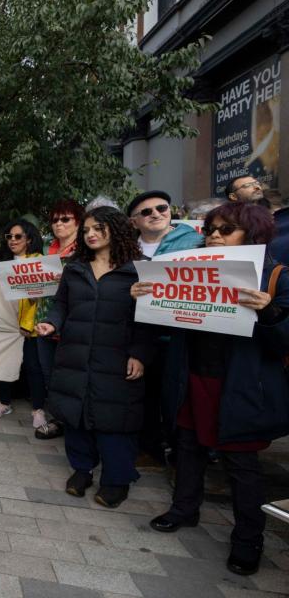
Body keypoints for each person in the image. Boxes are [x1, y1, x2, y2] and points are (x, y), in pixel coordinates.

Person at [134, 202, 289, 576]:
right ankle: (184, 510)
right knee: (187, 447)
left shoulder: (278, 278)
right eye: (211, 229)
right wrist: (147, 297)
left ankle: (248, 539)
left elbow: (284, 341)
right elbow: (167, 322)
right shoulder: (188, 271)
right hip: (193, 378)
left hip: (241, 386)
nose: (215, 235)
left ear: (253, 235)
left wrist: (268, 313)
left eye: (227, 229)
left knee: (241, 465)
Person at [35, 206, 151, 509]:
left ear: (116, 229)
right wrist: (52, 323)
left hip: (117, 357)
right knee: (76, 415)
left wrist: (139, 353)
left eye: (98, 228)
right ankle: (82, 470)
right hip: (75, 353)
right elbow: (61, 305)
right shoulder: (76, 267)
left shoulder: (141, 270)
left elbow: (149, 320)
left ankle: (117, 480)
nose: (91, 235)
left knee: (115, 420)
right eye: (86, 230)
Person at [126, 191, 203, 466]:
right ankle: (150, 449)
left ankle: (183, 454)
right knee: (145, 394)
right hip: (141, 333)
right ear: (134, 222)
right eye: (146, 212)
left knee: (179, 398)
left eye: (161, 207)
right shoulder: (127, 249)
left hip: (183, 334)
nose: (156, 214)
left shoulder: (196, 242)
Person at [32, 199, 85, 439]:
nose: (59, 224)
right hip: (44, 321)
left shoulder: (86, 251)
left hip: (73, 324)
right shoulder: (45, 250)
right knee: (49, 373)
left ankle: (74, 422)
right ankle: (58, 419)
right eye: (55, 219)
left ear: (78, 222)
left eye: (65, 219)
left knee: (71, 376)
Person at [0, 219, 47, 430]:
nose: (12, 240)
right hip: (6, 325)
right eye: (9, 237)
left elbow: (40, 300)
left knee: (33, 367)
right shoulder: (2, 262)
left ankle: (38, 409)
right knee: (5, 365)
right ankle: (4, 402)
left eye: (18, 236)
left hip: (29, 328)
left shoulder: (38, 263)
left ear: (29, 239)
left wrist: (28, 325)